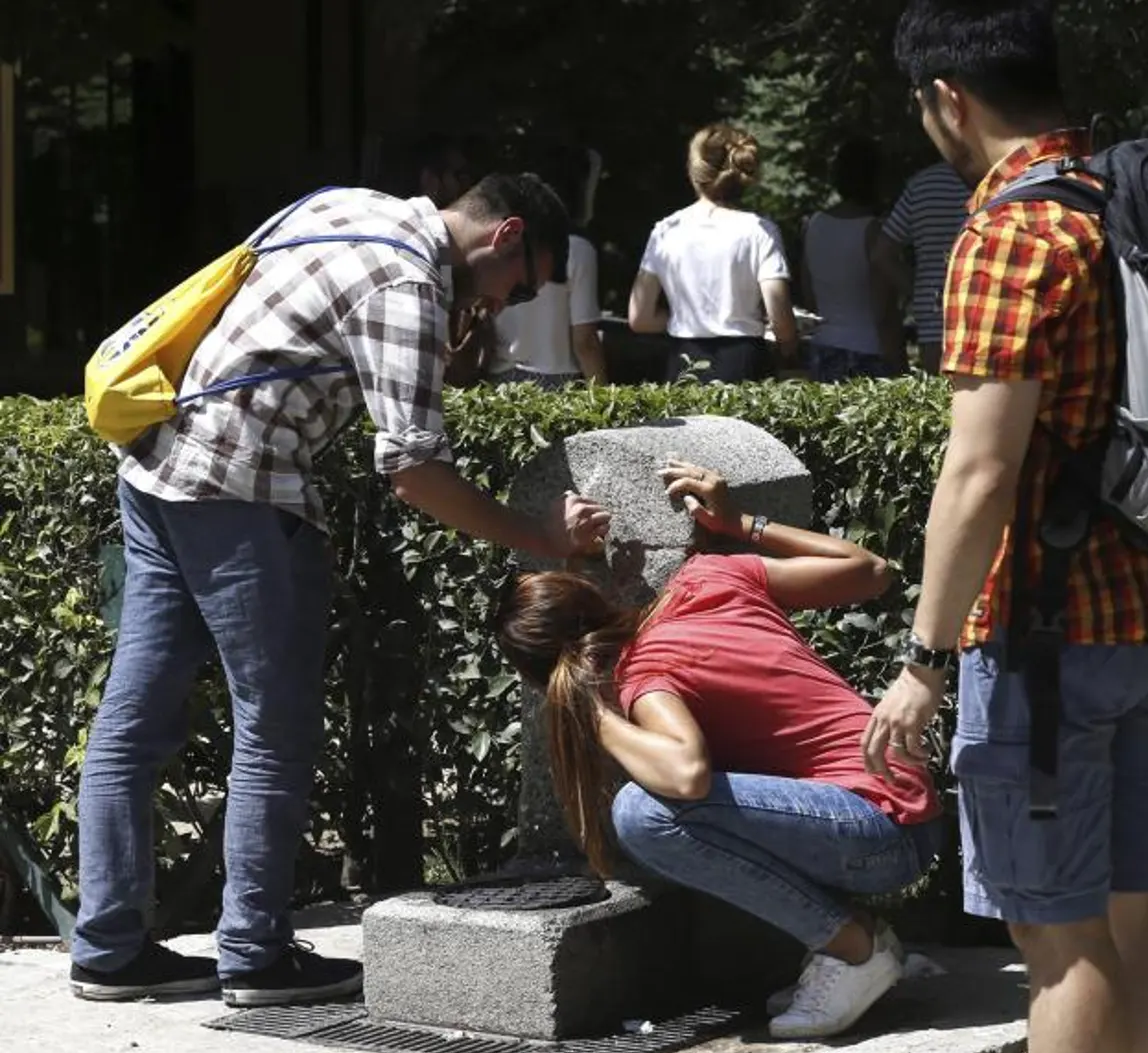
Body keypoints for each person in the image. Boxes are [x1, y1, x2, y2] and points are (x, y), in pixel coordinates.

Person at [69, 177, 614, 1008]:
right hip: (242, 490)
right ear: (505, 235)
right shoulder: (408, 286)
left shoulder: (347, 206)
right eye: (524, 285)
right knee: (274, 725)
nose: (512, 303)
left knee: (133, 720)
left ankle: (107, 949)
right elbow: (415, 473)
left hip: (155, 463)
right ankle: (253, 953)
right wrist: (543, 537)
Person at [866, 4, 1148, 1053]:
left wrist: (923, 661)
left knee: (1059, 945)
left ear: (948, 102)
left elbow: (980, 470)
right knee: (1137, 908)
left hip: (1049, 644)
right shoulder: (1132, 202)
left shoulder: (1011, 231)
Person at [495, 459, 942, 1039]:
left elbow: (686, 777)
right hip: (903, 812)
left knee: (643, 813)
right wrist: (740, 522)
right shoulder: (706, 577)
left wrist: (592, 712)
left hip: (879, 833)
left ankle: (854, 950)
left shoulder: (647, 677)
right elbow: (871, 570)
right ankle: (855, 940)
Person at [628, 125, 798, 383]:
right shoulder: (760, 231)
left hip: (683, 359)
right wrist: (788, 345)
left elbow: (640, 319)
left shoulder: (666, 231)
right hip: (744, 360)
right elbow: (781, 321)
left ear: (694, 171)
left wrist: (683, 317)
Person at [491, 150, 607, 388]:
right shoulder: (577, 248)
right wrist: (605, 398)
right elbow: (584, 341)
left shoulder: (502, 241)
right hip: (556, 381)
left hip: (496, 378)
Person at [802, 137, 904, 381]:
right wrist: (899, 363)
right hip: (868, 352)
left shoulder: (813, 225)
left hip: (823, 348)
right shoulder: (875, 231)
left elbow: (808, 295)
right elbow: (884, 310)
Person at [871, 161, 972, 374]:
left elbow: (882, 254)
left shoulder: (921, 185)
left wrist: (917, 290)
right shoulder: (996, 178)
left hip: (932, 317)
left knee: (939, 400)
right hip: (983, 311)